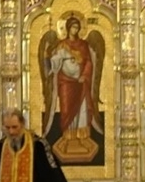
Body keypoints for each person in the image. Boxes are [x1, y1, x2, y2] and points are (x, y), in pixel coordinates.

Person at [44, 16, 103, 144]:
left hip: (80, 82)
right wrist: (49, 57)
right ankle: (68, 136)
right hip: (65, 82)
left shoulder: (83, 45)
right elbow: (55, 61)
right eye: (73, 27)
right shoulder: (62, 44)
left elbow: (88, 62)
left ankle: (82, 136)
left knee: (82, 109)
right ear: (67, 28)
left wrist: (85, 75)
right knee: (66, 109)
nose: (75, 30)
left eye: (77, 27)